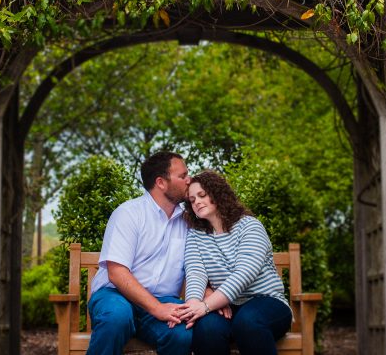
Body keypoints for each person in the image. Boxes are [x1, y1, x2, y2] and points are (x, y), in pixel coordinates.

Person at [86, 151, 193, 355]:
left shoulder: (188, 222)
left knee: (181, 333)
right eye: (183, 175)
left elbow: (197, 267)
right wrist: (156, 308)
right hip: (114, 295)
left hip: (163, 299)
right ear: (161, 183)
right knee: (116, 317)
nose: (189, 180)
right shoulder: (128, 214)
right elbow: (116, 273)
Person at [177, 170, 292, 355]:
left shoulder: (250, 226)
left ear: (217, 193)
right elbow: (196, 273)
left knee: (248, 322)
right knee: (207, 328)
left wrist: (207, 305)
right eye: (192, 200)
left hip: (266, 302)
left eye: (202, 195)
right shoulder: (196, 235)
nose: (197, 202)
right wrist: (193, 307)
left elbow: (244, 274)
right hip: (225, 307)